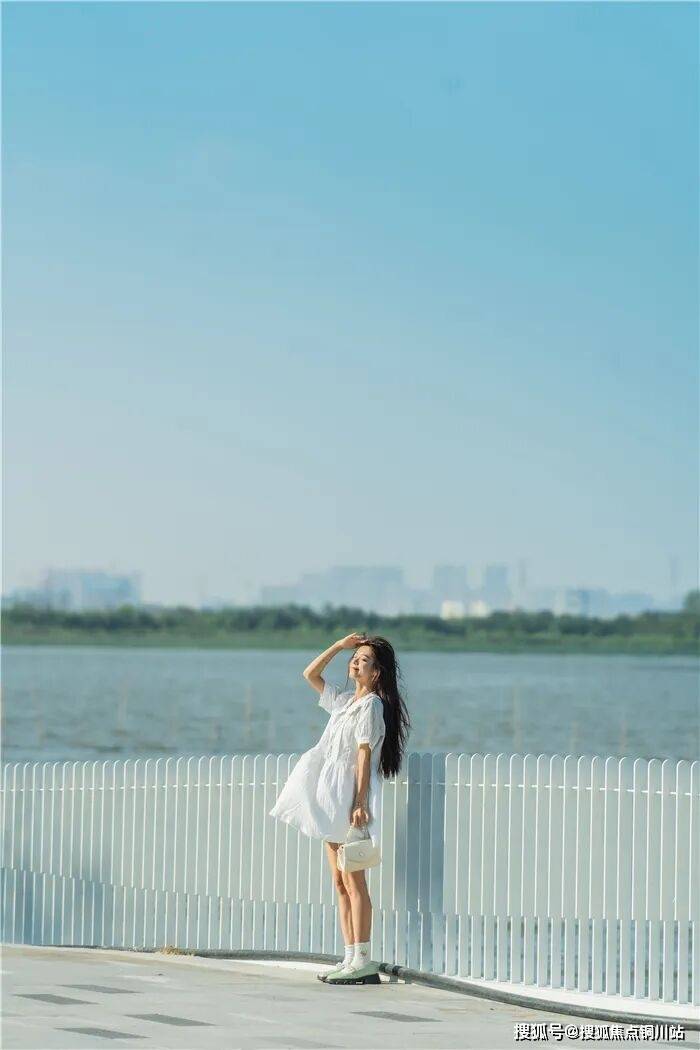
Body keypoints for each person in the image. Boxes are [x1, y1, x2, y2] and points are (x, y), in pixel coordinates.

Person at [268, 632, 410, 986]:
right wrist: (338, 646)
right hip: (330, 798)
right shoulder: (345, 702)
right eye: (355, 658)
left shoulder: (371, 706)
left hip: (349, 799)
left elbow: (364, 755)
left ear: (377, 672)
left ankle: (362, 960)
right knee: (339, 881)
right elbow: (310, 674)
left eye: (364, 660)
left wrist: (359, 803)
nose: (356, 663)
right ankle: (349, 956)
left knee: (354, 878)